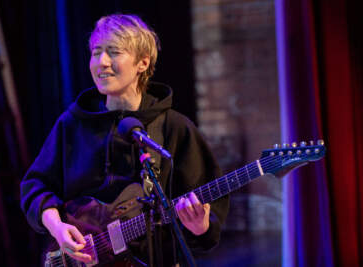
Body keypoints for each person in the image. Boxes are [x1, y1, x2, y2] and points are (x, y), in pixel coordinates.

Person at [20, 14, 229, 266]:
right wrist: (57, 227)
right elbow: (35, 187)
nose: (102, 62)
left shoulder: (175, 128)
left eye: (114, 52)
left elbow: (207, 223)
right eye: (96, 52)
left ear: (142, 63)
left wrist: (200, 227)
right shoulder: (72, 124)